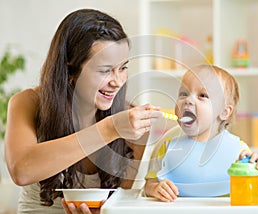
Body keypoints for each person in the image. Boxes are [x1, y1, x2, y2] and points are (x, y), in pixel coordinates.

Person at [4, 9, 161, 213]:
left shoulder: (132, 126)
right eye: (105, 70)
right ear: (71, 70)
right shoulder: (29, 103)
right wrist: (109, 129)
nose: (117, 82)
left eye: (123, 68)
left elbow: (120, 205)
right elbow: (21, 170)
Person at [144, 64, 258, 202]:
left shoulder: (238, 150)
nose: (188, 100)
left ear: (224, 112)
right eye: (183, 94)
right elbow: (148, 185)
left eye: (202, 95)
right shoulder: (167, 146)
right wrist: (155, 189)